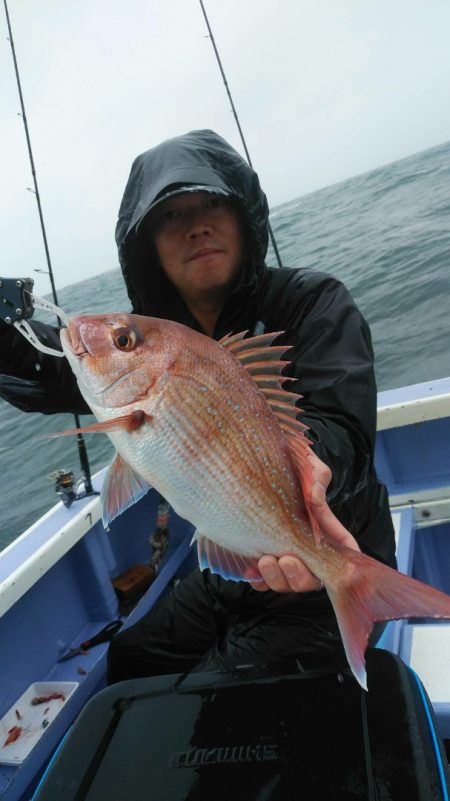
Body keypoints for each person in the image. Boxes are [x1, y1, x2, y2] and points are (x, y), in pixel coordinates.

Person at [0, 129, 396, 682]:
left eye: (213, 203)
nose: (198, 224)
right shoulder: (154, 343)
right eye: (171, 215)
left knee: (224, 692)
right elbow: (52, 368)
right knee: (131, 660)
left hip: (326, 552)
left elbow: (343, 430)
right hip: (231, 562)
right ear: (147, 244)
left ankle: (357, 591)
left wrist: (303, 476)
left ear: (243, 214)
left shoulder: (313, 303)